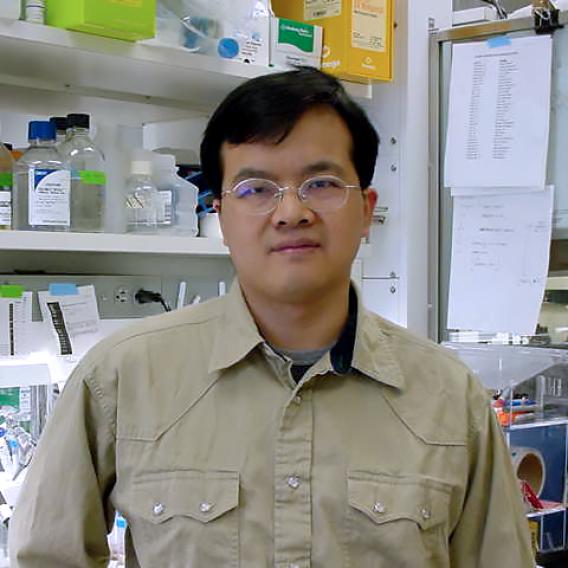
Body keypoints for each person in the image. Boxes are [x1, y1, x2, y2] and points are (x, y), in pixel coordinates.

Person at [9, 67, 533, 567]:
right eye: (255, 189)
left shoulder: (449, 398)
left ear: (366, 210)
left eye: (321, 184)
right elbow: (48, 558)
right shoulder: (121, 379)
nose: (291, 212)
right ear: (221, 216)